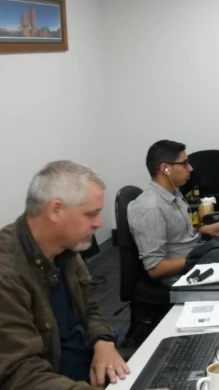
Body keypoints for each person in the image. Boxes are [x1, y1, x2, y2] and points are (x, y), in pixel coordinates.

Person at [0, 161, 130, 387]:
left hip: (87, 368)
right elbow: (22, 376)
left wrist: (103, 341)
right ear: (55, 210)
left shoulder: (65, 249)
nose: (99, 223)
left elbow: (89, 309)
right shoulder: (7, 274)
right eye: (91, 214)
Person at [128, 140, 219, 285]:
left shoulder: (173, 193)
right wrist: (202, 256)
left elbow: (175, 234)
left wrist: (204, 229)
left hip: (195, 260)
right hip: (185, 277)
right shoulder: (150, 208)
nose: (190, 168)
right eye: (184, 164)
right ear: (165, 169)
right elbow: (155, 269)